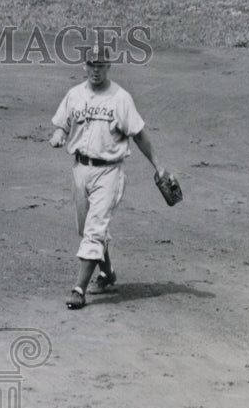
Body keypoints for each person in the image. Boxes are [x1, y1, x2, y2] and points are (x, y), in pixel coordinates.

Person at [48, 45, 173, 309]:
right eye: (91, 65)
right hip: (80, 170)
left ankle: (78, 289)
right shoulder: (74, 94)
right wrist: (59, 132)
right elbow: (62, 122)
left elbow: (138, 134)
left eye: (101, 65)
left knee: (93, 231)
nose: (96, 70)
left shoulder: (121, 98)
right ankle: (107, 272)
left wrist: (158, 166)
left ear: (109, 67)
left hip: (110, 172)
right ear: (84, 66)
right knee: (85, 229)